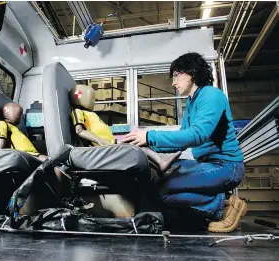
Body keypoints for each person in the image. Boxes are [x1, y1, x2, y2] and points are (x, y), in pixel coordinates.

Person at [122, 52, 246, 233]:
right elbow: (181, 141)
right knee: (156, 179)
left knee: (162, 191)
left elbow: (198, 135)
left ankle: (222, 206)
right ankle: (218, 203)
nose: (173, 83)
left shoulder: (211, 95)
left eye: (176, 75)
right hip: (208, 164)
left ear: (192, 73)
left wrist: (150, 135)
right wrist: (145, 143)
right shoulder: (191, 102)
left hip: (226, 166)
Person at [69, 84, 181, 179]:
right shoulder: (78, 111)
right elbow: (79, 130)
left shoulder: (91, 114)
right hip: (102, 146)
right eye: (91, 98)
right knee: (136, 142)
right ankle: (161, 163)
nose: (93, 101)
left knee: (139, 144)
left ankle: (161, 167)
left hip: (110, 143)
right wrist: (100, 141)